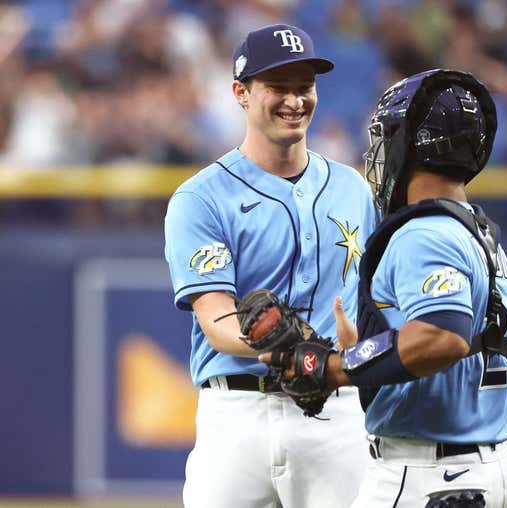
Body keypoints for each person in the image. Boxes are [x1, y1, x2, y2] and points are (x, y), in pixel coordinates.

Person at [263, 69, 507, 507]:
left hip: (429, 475)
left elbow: (441, 336)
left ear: (409, 144)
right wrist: (368, 350)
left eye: (385, 136)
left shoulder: (425, 233)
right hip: (493, 465)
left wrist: (337, 366)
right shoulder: (481, 234)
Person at [164, 24, 376, 508]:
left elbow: (378, 300)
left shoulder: (353, 188)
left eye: (305, 86)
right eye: (278, 87)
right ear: (241, 92)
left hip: (335, 417)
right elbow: (217, 320)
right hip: (237, 414)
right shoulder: (201, 198)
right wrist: (293, 351)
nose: (295, 100)